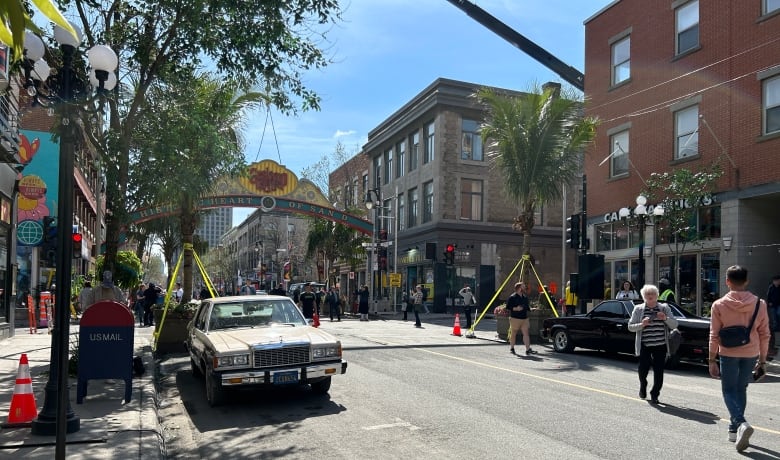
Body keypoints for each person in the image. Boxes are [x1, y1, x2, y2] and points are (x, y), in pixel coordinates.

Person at [708, 265, 770, 451]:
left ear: (727, 281)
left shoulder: (719, 305)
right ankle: (733, 430)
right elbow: (765, 334)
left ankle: (741, 423)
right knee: (741, 389)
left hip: (728, 353)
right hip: (751, 353)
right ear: (747, 281)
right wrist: (763, 360)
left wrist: (711, 359)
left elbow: (714, 334)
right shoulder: (760, 304)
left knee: (728, 390)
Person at [627, 284, 678, 404]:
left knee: (659, 371)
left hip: (661, 345)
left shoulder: (664, 308)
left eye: (652, 294)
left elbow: (674, 324)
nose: (650, 296)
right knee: (642, 369)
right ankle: (643, 384)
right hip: (645, 345)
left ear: (657, 295)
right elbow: (630, 327)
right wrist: (641, 324)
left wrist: (665, 318)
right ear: (644, 296)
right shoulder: (638, 309)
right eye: (647, 294)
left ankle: (655, 394)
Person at [506, 282, 536, 356]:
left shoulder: (525, 297)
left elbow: (527, 307)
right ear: (519, 288)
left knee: (526, 334)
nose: (525, 288)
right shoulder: (512, 297)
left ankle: (528, 349)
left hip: (524, 318)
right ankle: (512, 348)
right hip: (515, 318)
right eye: (523, 286)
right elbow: (508, 307)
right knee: (513, 334)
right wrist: (516, 308)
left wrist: (531, 309)